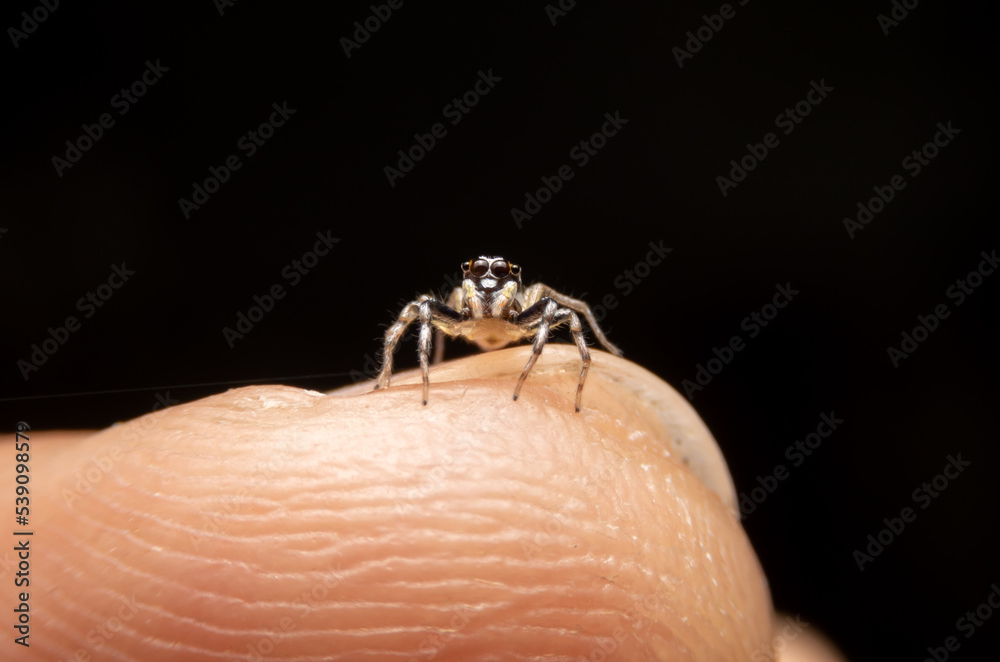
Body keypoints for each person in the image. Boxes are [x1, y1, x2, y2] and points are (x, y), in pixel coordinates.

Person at [5, 346, 845, 660]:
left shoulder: (536, 309)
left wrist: (580, 355)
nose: (487, 291)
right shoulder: (446, 308)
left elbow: (567, 318)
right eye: (478, 282)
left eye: (500, 282)